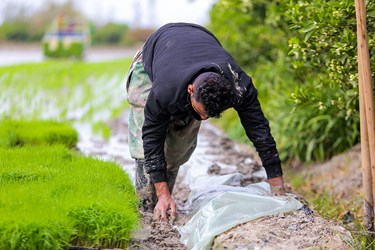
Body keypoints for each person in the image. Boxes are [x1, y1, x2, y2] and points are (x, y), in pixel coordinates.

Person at [125, 22, 286, 223]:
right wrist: (161, 192)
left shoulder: (240, 86)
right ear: (191, 89)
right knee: (144, 143)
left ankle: (166, 199)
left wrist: (277, 185)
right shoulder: (164, 89)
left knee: (178, 148)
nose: (203, 119)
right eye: (201, 112)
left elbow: (260, 131)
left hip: (196, 52)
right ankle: (148, 206)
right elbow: (151, 136)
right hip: (156, 59)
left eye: (208, 117)